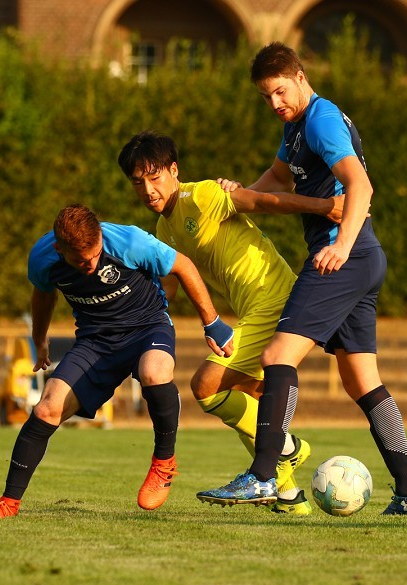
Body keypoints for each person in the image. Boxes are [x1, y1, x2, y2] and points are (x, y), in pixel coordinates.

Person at [197, 42, 407, 515]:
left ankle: (263, 476)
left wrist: (340, 246)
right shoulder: (296, 129)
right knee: (362, 382)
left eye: (280, 92)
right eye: (266, 97)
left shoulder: (321, 120)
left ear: (300, 77)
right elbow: (278, 179)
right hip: (363, 257)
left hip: (344, 255)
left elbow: (360, 184)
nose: (275, 104)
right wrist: (238, 195)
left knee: (278, 355)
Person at [118, 130, 344, 514]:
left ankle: (287, 449)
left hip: (272, 298)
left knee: (205, 386)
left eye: (155, 177)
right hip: (256, 307)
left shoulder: (202, 195)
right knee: (254, 396)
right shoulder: (164, 229)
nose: (148, 189)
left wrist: (324, 206)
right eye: (138, 182)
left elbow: (261, 201)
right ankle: (289, 497)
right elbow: (168, 290)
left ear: (174, 171)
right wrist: (129, 315)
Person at [0, 204, 234, 518]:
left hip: (147, 327)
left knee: (154, 373)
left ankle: (164, 463)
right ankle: (9, 503)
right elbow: (43, 294)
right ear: (59, 249)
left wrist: (212, 323)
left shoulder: (129, 241)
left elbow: (183, 266)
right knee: (46, 408)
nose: (91, 264)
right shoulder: (42, 259)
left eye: (96, 254)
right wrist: (40, 339)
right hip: (95, 342)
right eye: (81, 261)